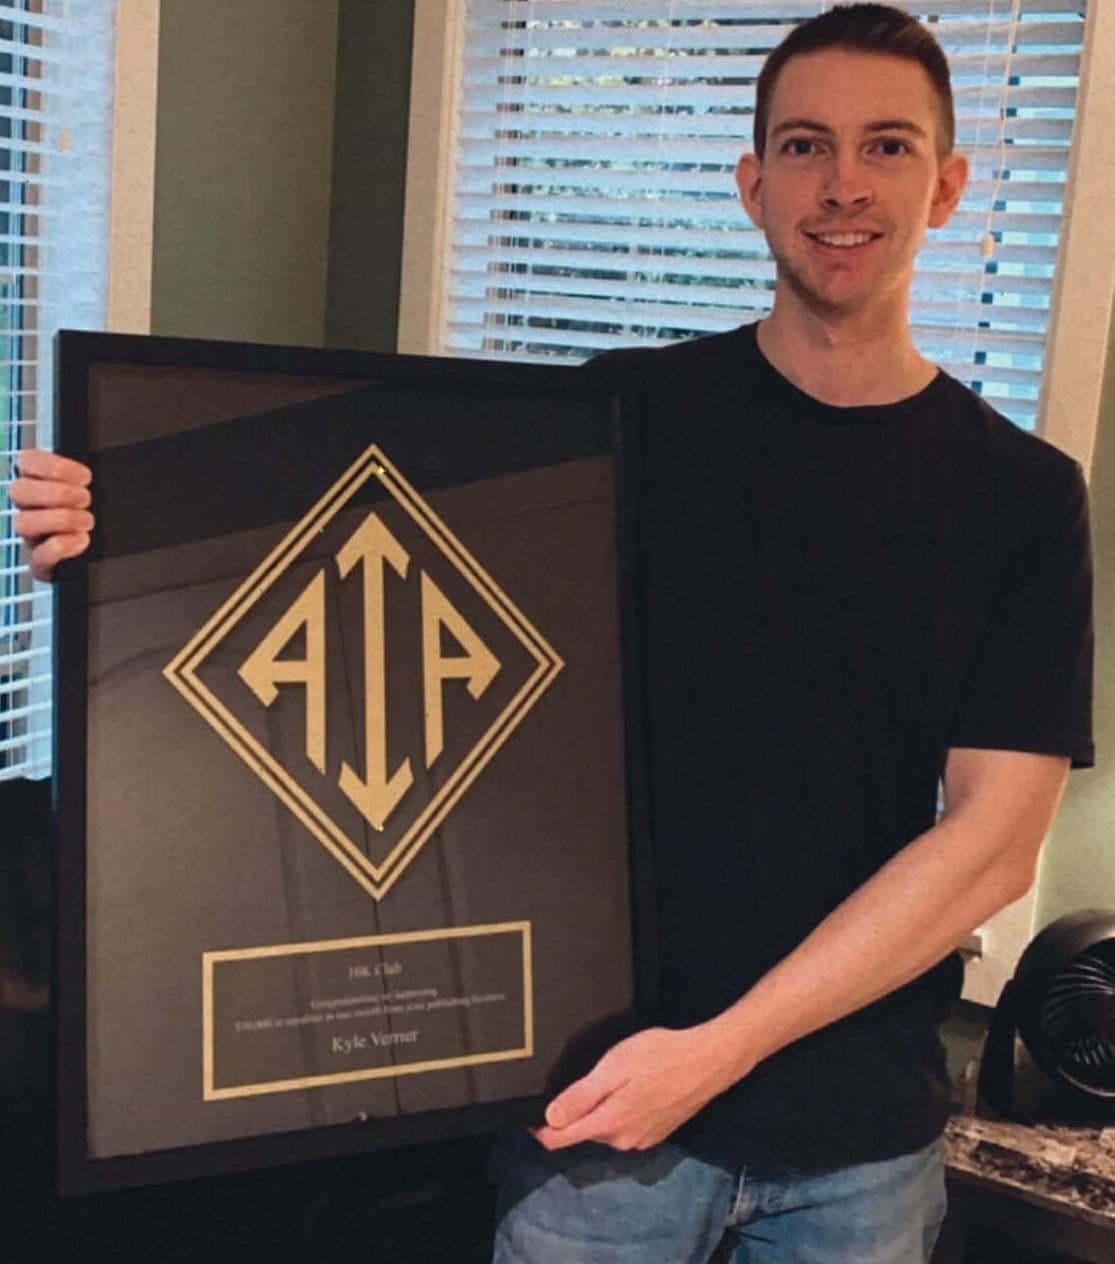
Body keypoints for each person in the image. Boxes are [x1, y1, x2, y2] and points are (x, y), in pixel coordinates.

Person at [9, 6, 1094, 1261]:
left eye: (885, 147)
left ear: (946, 186)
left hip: (854, 1147)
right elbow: (336, 570)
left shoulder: (1019, 495)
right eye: (804, 145)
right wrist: (114, 528)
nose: (842, 185)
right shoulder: (613, 420)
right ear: (751, 184)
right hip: (595, 1127)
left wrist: (713, 1052)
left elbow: (989, 847)